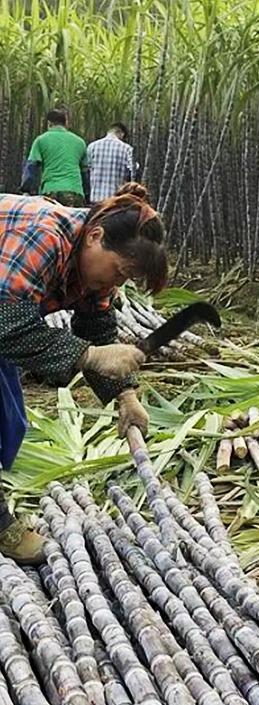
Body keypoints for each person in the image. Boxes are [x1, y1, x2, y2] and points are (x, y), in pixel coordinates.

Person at [0, 182, 165, 565]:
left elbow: (97, 327)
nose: (115, 285)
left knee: (11, 421)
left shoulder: (92, 268)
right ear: (95, 237)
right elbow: (4, 322)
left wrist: (126, 395)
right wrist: (88, 356)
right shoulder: (44, 236)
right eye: (118, 272)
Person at [21, 109, 89, 206]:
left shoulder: (41, 140)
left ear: (49, 123)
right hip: (75, 192)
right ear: (65, 123)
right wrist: (86, 196)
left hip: (50, 192)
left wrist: (26, 190)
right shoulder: (80, 142)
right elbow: (85, 173)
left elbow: (32, 167)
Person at [87, 123, 138, 204]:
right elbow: (133, 170)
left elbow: (88, 169)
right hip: (116, 200)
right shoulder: (126, 148)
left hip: (95, 198)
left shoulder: (92, 146)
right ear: (121, 134)